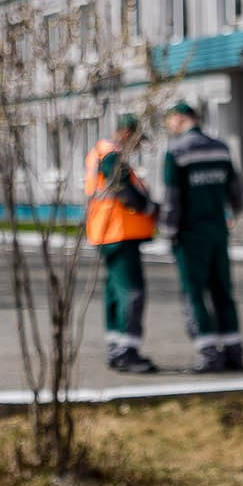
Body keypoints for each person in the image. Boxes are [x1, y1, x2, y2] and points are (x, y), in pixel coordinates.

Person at [160, 100, 243, 372]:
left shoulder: (176, 152)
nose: (169, 126)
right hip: (217, 232)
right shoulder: (220, 148)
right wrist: (232, 213)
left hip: (190, 234)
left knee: (194, 293)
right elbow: (236, 191)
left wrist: (168, 231)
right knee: (223, 291)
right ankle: (234, 351)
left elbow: (172, 199)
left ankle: (208, 353)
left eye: (169, 120)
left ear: (179, 118)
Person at [84, 112, 157, 373]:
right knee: (132, 291)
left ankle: (116, 349)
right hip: (119, 232)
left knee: (115, 292)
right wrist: (150, 207)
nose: (137, 147)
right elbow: (125, 192)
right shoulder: (112, 155)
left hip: (107, 231)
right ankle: (127, 352)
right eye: (137, 140)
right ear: (128, 134)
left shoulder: (101, 153)